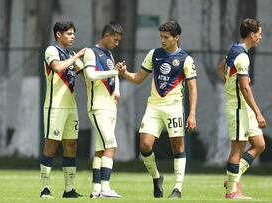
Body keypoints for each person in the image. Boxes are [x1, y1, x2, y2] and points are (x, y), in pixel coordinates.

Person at [116, 21, 197, 199]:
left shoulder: (186, 59)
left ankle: (177, 188)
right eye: (161, 36)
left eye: (166, 37)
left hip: (174, 107)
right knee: (144, 145)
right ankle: (156, 177)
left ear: (177, 37)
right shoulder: (154, 54)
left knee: (177, 147)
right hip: (153, 106)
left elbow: (193, 88)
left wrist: (191, 114)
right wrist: (124, 73)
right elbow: (138, 78)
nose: (162, 40)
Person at [217, 18, 266, 200]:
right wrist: (259, 112)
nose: (260, 37)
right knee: (237, 149)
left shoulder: (234, 50)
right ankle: (231, 191)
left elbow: (221, 69)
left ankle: (233, 179)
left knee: (259, 144)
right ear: (252, 35)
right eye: (259, 34)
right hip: (238, 108)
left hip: (243, 107)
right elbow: (245, 88)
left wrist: (230, 82)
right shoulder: (242, 56)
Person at [40, 21, 86, 198]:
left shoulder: (71, 53)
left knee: (71, 146)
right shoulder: (52, 50)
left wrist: (111, 73)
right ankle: (45, 189)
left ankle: (69, 189)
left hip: (71, 107)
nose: (73, 36)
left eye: (73, 33)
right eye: (69, 33)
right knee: (51, 145)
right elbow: (58, 67)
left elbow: (87, 74)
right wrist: (77, 57)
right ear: (58, 35)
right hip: (55, 106)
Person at [82, 22, 124, 198]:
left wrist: (117, 89)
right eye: (115, 39)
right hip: (98, 107)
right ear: (106, 36)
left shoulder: (109, 54)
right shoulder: (91, 52)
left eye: (119, 40)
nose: (117, 43)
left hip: (110, 107)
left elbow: (114, 74)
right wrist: (113, 73)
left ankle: (96, 190)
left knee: (100, 149)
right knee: (111, 144)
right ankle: (106, 189)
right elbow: (90, 75)